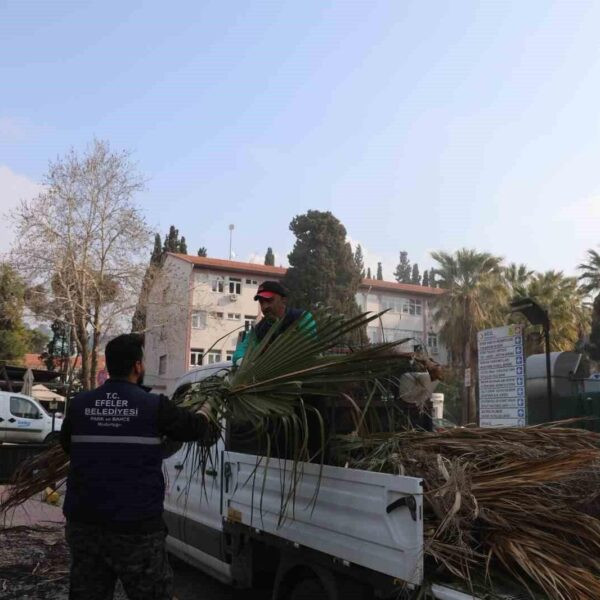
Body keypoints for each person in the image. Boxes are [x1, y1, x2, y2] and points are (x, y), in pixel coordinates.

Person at [59, 333, 216, 600]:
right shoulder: (154, 406)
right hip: (136, 530)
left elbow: (68, 447)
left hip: (86, 526)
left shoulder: (79, 406)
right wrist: (207, 408)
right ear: (137, 366)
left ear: (109, 366)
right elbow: (195, 428)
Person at [232, 281, 316, 365]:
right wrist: (242, 362)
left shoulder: (301, 318)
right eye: (261, 302)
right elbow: (240, 352)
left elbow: (307, 345)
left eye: (269, 300)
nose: (264, 307)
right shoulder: (258, 328)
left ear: (283, 300)